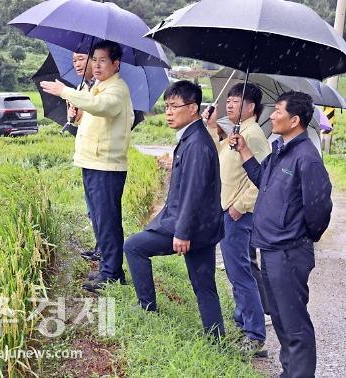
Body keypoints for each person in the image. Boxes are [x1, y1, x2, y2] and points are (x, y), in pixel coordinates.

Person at [229, 91, 332, 378]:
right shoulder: (280, 149)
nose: (272, 115)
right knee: (282, 319)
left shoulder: (306, 157)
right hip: (272, 249)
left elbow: (319, 206)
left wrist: (300, 234)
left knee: (294, 323)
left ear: (295, 119)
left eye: (278, 112)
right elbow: (264, 182)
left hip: (289, 251)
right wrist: (246, 152)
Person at [123, 80, 225, 338]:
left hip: (189, 227)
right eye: (166, 106)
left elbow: (193, 193)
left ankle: (147, 307)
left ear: (193, 108)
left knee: (134, 246)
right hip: (199, 227)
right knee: (204, 286)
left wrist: (182, 232)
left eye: (174, 106)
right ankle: (216, 340)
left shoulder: (197, 144)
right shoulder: (193, 137)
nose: (168, 112)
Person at [40, 40, 132, 293]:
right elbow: (93, 119)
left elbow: (103, 108)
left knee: (108, 220)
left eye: (103, 60)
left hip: (106, 165)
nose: (97, 65)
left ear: (116, 63)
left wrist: (65, 91)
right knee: (101, 219)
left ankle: (112, 274)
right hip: (92, 162)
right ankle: (107, 268)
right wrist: (76, 118)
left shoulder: (117, 90)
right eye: (95, 60)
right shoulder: (98, 88)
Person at [203, 83, 270, 355]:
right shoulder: (238, 132)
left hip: (237, 214)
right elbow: (219, 158)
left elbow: (264, 179)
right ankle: (244, 323)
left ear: (251, 106)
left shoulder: (253, 135)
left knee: (240, 273)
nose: (229, 105)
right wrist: (210, 127)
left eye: (235, 101)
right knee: (236, 271)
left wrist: (240, 206)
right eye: (228, 101)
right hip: (226, 211)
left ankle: (255, 335)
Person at [66, 52, 101, 262]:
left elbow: (99, 113)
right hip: (86, 156)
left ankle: (105, 252)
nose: (77, 64)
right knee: (92, 207)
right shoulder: (83, 87)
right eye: (74, 61)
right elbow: (81, 122)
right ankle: (100, 246)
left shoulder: (99, 88)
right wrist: (74, 116)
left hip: (99, 157)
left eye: (81, 58)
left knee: (100, 207)